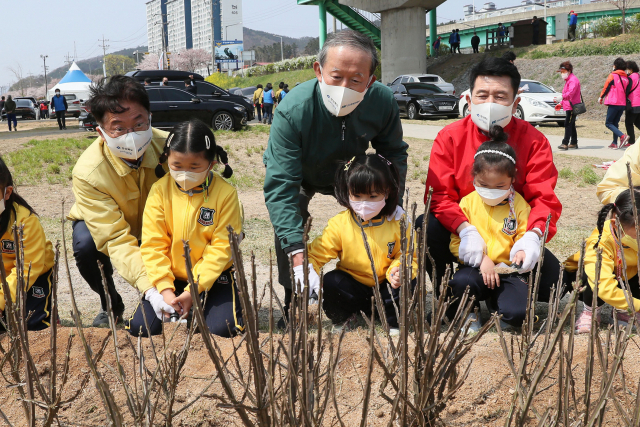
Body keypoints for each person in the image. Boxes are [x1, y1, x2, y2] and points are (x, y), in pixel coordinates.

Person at [263, 30, 407, 329]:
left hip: (352, 173)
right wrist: (296, 250)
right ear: (318, 70)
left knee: (377, 223)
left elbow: (393, 153)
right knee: (291, 224)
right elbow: (282, 184)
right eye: (336, 76)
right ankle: (296, 299)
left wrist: (392, 200)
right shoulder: (293, 110)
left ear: (371, 80)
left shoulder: (382, 102)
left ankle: (380, 290)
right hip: (301, 173)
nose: (344, 87)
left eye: (356, 80)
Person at [419, 56, 562, 304]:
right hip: (463, 231)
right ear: (468, 98)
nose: (490, 103)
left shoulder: (535, 141)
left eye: (500, 96)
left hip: (510, 232)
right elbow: (439, 196)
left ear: (515, 102)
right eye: (482, 95)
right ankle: (448, 290)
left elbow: (544, 198)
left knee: (552, 281)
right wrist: (465, 229)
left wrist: (533, 235)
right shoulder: (449, 137)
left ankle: (502, 285)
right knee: (425, 225)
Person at [126, 119, 244, 338]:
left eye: (194, 167)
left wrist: (194, 290)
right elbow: (153, 244)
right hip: (170, 276)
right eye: (177, 166)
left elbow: (221, 248)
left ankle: (223, 301)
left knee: (222, 329)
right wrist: (165, 290)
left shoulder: (226, 195)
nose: (185, 174)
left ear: (211, 164)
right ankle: (183, 307)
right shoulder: (159, 191)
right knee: (142, 328)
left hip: (212, 278)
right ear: (166, 159)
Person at [68, 75, 169, 327]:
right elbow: (115, 238)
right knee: (86, 245)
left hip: (158, 225)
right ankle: (110, 303)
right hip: (109, 225)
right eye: (119, 128)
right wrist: (150, 290)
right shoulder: (88, 172)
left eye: (138, 124)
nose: (131, 135)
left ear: (150, 118)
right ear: (101, 132)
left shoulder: (172, 149)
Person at [304, 154, 417, 336]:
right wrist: (309, 272)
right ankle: (345, 317)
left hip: (387, 286)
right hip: (353, 288)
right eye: (357, 196)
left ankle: (393, 322)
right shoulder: (340, 224)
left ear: (387, 192)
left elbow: (409, 254)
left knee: (407, 282)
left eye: (373, 196)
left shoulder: (399, 220)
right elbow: (317, 254)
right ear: (347, 191)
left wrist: (398, 270)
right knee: (332, 281)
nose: (365, 203)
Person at [448, 135, 532, 332]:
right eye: (484, 185)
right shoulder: (467, 203)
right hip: (475, 269)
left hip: (506, 271)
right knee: (462, 282)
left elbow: (524, 235)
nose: (491, 191)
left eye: (500, 186)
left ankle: (497, 305)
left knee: (519, 314)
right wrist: (481, 259)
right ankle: (470, 310)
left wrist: (521, 252)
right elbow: (455, 241)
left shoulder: (519, 204)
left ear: (513, 178)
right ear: (474, 177)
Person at [565, 188, 640, 333]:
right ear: (615, 224)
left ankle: (623, 310)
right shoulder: (600, 242)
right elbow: (604, 287)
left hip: (626, 278)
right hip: (591, 283)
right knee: (594, 273)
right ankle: (590, 311)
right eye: (636, 234)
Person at [0, 156, 55, 331]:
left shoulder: (24, 221)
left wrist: (1, 300)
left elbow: (26, 270)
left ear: (7, 193)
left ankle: (48, 309)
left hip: (32, 275)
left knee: (29, 324)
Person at [599, 57, 631, 149]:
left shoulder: (612, 75)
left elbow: (606, 87)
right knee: (615, 123)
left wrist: (601, 97)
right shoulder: (626, 78)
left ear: (616, 66)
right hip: (622, 103)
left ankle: (622, 136)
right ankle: (614, 142)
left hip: (614, 102)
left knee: (608, 123)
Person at [557, 61, 581, 150]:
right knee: (571, 124)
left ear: (569, 70)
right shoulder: (568, 80)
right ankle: (574, 142)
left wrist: (561, 97)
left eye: (563, 72)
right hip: (569, 105)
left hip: (572, 106)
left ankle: (565, 143)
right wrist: (561, 103)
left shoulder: (573, 80)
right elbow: (567, 94)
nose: (562, 74)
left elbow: (570, 94)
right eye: (561, 72)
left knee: (568, 124)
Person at [625, 60, 640, 145]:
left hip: (633, 103)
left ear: (630, 69)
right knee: (637, 122)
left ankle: (631, 141)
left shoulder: (631, 78)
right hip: (639, 103)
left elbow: (627, 89)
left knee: (629, 123)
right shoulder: (638, 76)